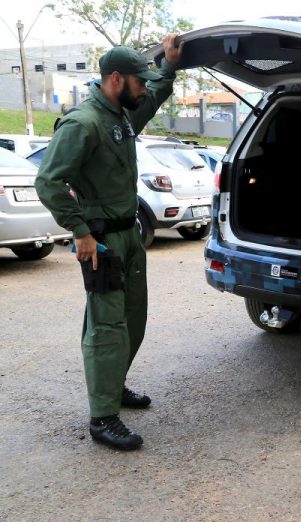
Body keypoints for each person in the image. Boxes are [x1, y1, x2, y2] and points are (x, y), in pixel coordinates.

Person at [35, 35, 184, 451]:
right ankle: (103, 417)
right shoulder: (83, 123)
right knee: (106, 328)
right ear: (115, 78)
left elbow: (150, 100)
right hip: (101, 242)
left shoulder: (119, 116)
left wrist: (168, 68)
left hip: (129, 235)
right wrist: (79, 232)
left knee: (133, 318)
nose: (143, 87)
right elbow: (48, 181)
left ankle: (114, 386)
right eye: (139, 81)